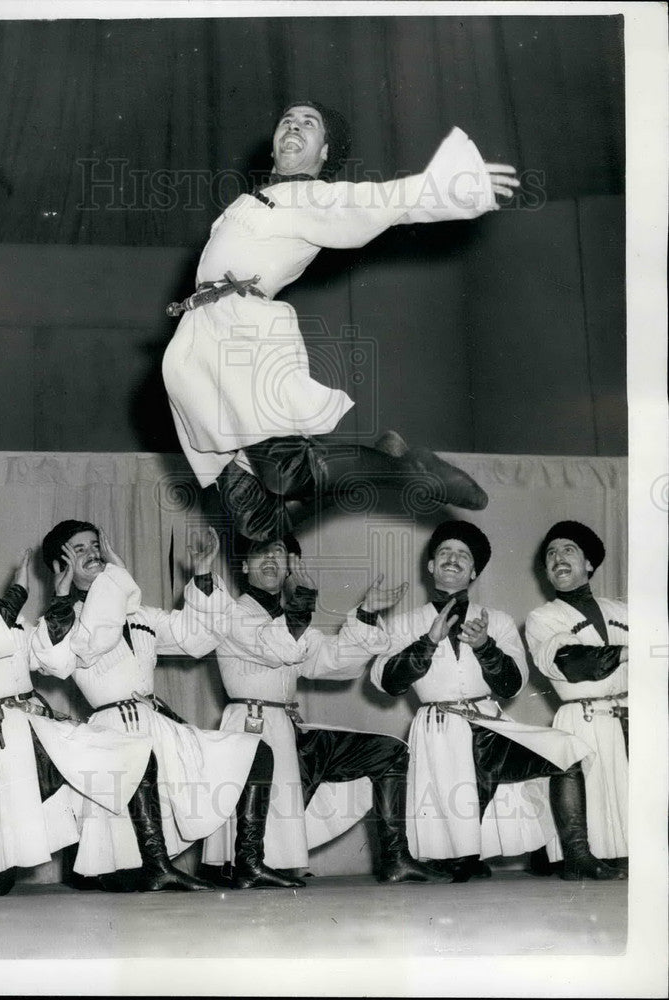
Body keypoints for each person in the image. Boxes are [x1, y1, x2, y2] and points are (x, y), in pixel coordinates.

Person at [162, 101, 520, 541]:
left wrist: (455, 184)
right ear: (273, 143)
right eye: (287, 121)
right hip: (197, 345)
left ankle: (407, 468)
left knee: (286, 475)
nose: (294, 126)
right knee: (258, 523)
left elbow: (375, 204)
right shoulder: (247, 203)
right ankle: (377, 461)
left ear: (324, 153)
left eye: (308, 124)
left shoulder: (307, 196)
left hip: (239, 335)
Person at [32, 519, 303, 890]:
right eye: (79, 550)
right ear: (60, 566)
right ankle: (156, 866)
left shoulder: (140, 615)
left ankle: (250, 864)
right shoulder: (64, 621)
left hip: (155, 723)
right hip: (114, 730)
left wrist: (204, 574)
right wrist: (64, 600)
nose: (93, 553)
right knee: (138, 770)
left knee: (256, 752)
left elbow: (198, 637)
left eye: (96, 546)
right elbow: (56, 661)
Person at [194, 532, 453, 885]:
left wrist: (365, 614)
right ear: (243, 564)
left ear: (290, 567)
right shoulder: (232, 614)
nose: (271, 559)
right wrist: (303, 599)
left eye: (279, 553)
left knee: (389, 752)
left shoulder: (289, 620)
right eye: (260, 552)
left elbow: (334, 660)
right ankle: (246, 865)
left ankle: (396, 859)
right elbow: (276, 647)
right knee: (260, 807)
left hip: (289, 734)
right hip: (252, 729)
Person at [370, 521, 602, 882]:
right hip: (440, 730)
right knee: (457, 859)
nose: (453, 559)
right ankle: (459, 858)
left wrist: (484, 647)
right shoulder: (404, 623)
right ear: (431, 566)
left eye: (463, 555)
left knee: (565, 751)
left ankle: (577, 857)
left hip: (489, 727)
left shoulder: (499, 621)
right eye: (444, 552)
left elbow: (513, 686)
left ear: (473, 571)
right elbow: (387, 682)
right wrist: (427, 643)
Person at [0, 531, 153, 896]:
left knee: (102, 763)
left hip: (30, 723)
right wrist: (16, 594)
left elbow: (45, 658)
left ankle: (99, 866)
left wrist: (59, 599)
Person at [525, 521, 628, 878]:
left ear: (589, 564)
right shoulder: (542, 618)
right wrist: (630, 653)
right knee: (585, 800)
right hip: (580, 719)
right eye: (551, 554)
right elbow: (571, 663)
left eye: (568, 549)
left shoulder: (623, 610)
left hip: (628, 717)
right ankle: (576, 860)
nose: (557, 558)